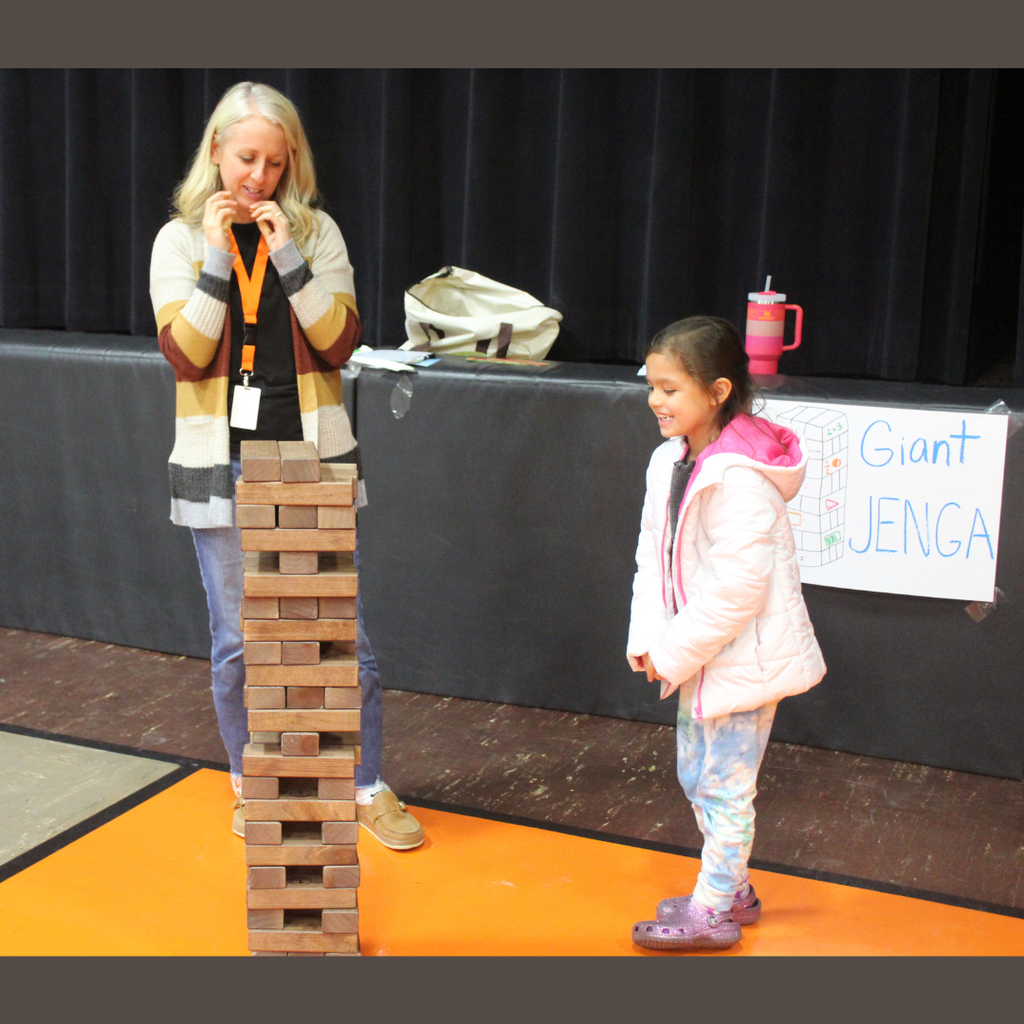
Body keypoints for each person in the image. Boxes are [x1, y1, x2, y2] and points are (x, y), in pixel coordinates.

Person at [149, 81, 423, 850]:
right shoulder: (177, 241)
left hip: (310, 457)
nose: (257, 177)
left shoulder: (317, 232)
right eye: (245, 159)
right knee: (239, 642)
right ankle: (251, 784)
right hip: (219, 463)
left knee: (343, 639)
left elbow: (339, 343)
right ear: (216, 152)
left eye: (274, 162)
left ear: (290, 162)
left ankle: (364, 785)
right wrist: (214, 255)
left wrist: (288, 254)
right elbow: (188, 354)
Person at [627, 316, 825, 951]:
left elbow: (739, 591)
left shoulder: (741, 478)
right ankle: (732, 887)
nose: (656, 400)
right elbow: (652, 556)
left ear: (716, 391)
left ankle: (714, 907)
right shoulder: (670, 460)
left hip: (742, 661)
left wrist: (673, 650)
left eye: (669, 388)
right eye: (650, 385)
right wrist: (649, 640)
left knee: (725, 786)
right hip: (697, 657)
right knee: (695, 775)